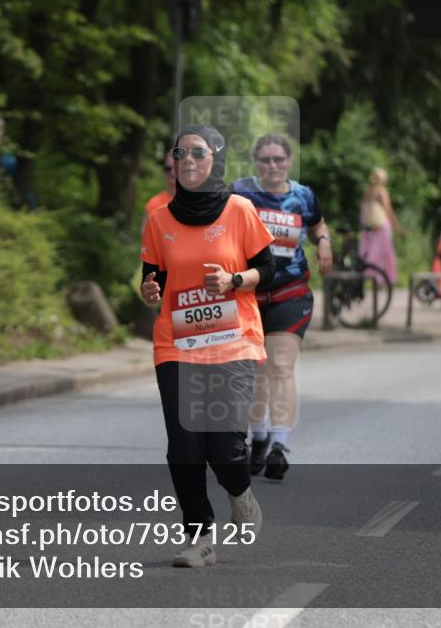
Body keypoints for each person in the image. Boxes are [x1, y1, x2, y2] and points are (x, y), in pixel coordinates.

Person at [140, 125, 275, 568]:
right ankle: (199, 537)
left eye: (198, 152)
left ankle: (241, 494)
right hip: (177, 345)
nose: (189, 159)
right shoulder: (160, 217)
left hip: (233, 343)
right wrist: (150, 289)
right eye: (181, 153)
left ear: (215, 158)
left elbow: (267, 270)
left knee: (225, 448)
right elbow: (151, 273)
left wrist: (235, 281)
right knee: (184, 447)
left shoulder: (238, 210)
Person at [231, 134, 333, 481]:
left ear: (289, 161)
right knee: (256, 372)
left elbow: (317, 223)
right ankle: (258, 437)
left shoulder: (303, 196)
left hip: (291, 292)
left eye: (278, 159)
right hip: (249, 295)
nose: (272, 166)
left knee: (281, 367)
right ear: (256, 164)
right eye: (265, 160)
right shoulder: (241, 194)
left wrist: (324, 243)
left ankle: (279, 445)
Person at [359, 167, 401, 285]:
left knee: (370, 252)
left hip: (369, 226)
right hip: (382, 226)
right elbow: (388, 210)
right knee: (385, 252)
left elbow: (362, 212)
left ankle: (371, 277)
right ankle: (384, 279)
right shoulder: (382, 191)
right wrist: (396, 225)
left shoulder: (367, 192)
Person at [140, 153, 177, 234]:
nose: (172, 172)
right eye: (168, 168)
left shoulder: (196, 202)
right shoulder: (154, 204)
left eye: (177, 167)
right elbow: (145, 240)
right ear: (163, 172)